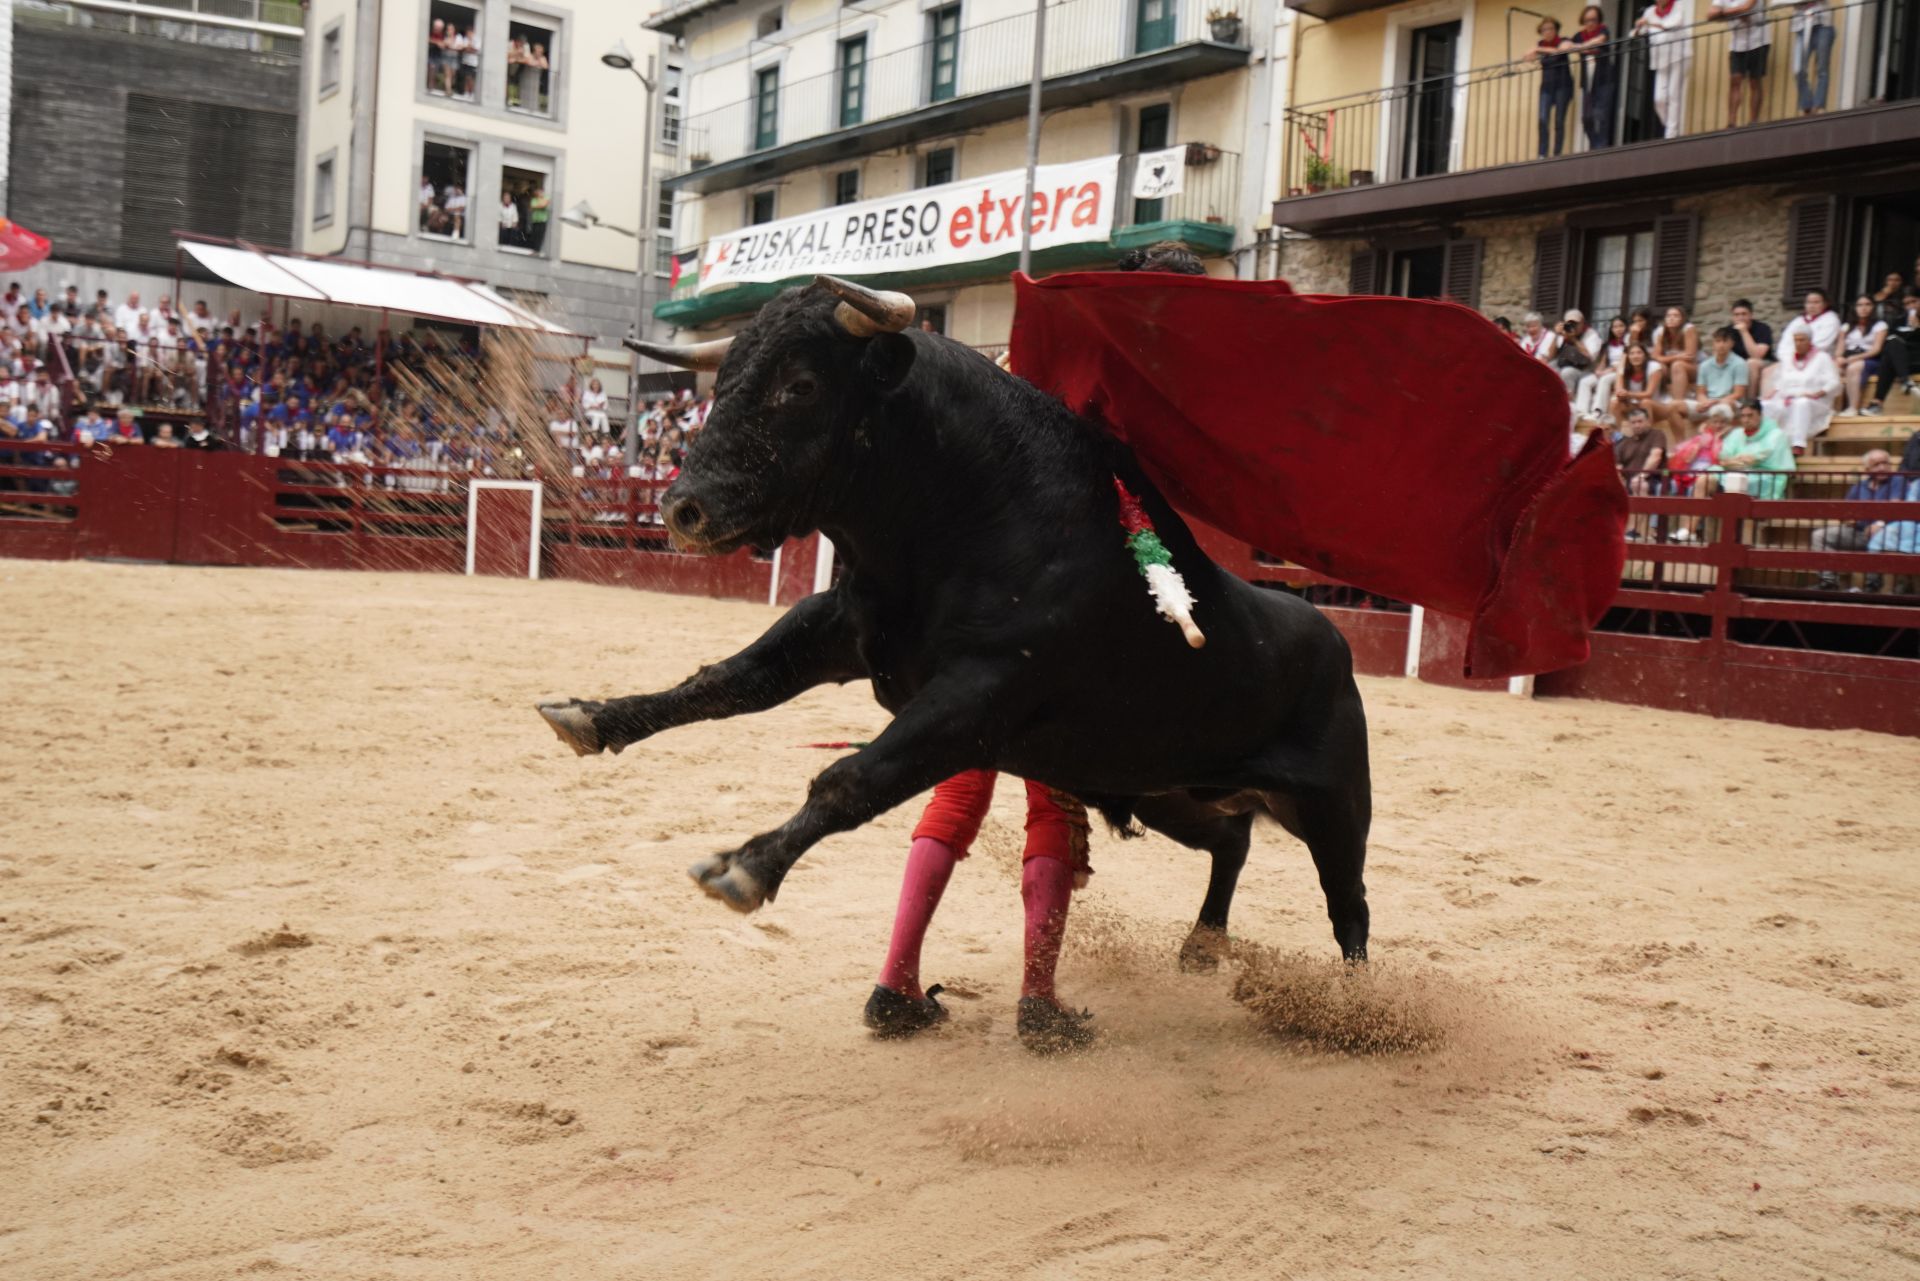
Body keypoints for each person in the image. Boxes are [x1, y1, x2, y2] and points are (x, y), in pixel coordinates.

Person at [1812, 450, 1903, 590]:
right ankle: (1828, 581)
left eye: (1885, 463)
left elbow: (1896, 507)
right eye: (1876, 464)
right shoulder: (1859, 487)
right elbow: (1847, 511)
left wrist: (1879, 523)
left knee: (1878, 533)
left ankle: (1873, 584)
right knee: (1819, 535)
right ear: (1867, 469)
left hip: (1889, 532)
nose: (1882, 467)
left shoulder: (1898, 481)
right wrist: (1849, 519)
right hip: (1859, 531)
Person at [1762, 326, 1841, 451]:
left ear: (1809, 341)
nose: (1798, 343)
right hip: (1788, 398)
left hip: (1814, 401)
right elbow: (1780, 381)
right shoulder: (1788, 359)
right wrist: (1772, 393)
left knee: (1801, 403)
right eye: (1796, 340)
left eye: (1802, 340)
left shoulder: (1822, 358)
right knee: (1765, 404)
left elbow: (1834, 381)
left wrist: (1818, 393)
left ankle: (1797, 444)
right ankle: (1766, 442)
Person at [1635, 0, 1693, 138]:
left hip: (1679, 55)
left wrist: (1649, 23)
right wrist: (1638, 26)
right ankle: (1671, 128)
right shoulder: (1649, 11)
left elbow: (1673, 24)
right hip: (1660, 59)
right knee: (1659, 99)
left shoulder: (1678, 5)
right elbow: (1638, 33)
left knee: (1673, 96)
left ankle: (1671, 134)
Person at [1715, 399, 1795, 497]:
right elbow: (1724, 455)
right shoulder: (1737, 433)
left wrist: (1750, 460)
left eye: (1750, 415)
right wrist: (1731, 461)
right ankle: (1697, 512)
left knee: (1738, 481)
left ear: (1760, 415)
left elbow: (1765, 459)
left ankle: (1735, 510)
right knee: (1707, 476)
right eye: (1743, 416)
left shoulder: (1776, 434)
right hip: (1735, 471)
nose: (1746, 420)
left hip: (1765, 475)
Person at [1710, 0, 1771, 126]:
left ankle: (1753, 120)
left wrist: (1723, 14)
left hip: (1758, 40)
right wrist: (1736, 12)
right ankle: (1731, 122)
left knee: (1755, 81)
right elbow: (1710, 14)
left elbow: (1747, 7)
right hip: (1737, 43)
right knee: (1735, 80)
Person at [1526, 17, 1576, 158]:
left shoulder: (1563, 41)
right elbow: (1527, 57)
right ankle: (1542, 153)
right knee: (1542, 119)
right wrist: (1531, 54)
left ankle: (1557, 153)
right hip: (1546, 87)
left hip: (1563, 85)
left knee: (1559, 120)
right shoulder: (1540, 45)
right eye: (1544, 29)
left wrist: (1539, 49)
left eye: (1550, 28)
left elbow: (1559, 52)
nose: (1547, 32)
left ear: (1556, 30)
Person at [1679, 326, 1750, 423]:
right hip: (1708, 403)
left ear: (1732, 344)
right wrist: (1704, 402)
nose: (1721, 345)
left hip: (1729, 403)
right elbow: (1700, 393)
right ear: (1713, 343)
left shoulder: (1740, 363)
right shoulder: (1704, 365)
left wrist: (1715, 402)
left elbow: (1738, 393)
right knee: (1675, 406)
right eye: (1718, 341)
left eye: (1725, 341)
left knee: (1723, 408)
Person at [1836, 293, 1888, 416]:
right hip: (1849, 357)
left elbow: (1876, 349)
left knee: (1854, 367)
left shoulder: (1880, 325)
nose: (1863, 308)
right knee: (1833, 369)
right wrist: (1839, 358)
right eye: (1859, 305)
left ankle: (1852, 407)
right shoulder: (1846, 326)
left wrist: (1854, 358)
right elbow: (1839, 349)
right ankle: (1833, 409)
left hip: (1871, 359)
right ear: (1855, 307)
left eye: (1867, 304)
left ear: (1873, 307)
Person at [1576, 315, 1631, 421]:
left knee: (1605, 379)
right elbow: (1603, 362)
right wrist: (1599, 371)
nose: (1618, 329)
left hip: (1622, 372)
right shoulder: (1608, 345)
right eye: (1615, 327)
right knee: (1585, 381)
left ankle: (1598, 411)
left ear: (1626, 327)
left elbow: (1625, 364)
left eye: (1621, 326)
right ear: (1611, 329)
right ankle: (1581, 412)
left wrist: (1609, 371)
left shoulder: (1629, 344)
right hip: (1608, 370)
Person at [1788, 0, 1835, 115]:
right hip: (1801, 26)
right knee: (1798, 70)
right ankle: (1807, 105)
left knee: (1822, 69)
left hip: (1823, 24)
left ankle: (1818, 106)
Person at [1651, 305, 1699, 403]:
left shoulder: (1688, 329)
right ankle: (1655, 400)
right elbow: (1655, 357)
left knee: (1677, 365)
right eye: (1668, 316)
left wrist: (1666, 358)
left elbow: (1690, 356)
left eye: (1676, 316)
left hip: (1692, 368)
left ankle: (1678, 403)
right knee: (1657, 366)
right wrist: (1677, 356)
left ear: (1682, 319)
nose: (1671, 318)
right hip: (1670, 368)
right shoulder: (1661, 331)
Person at [1552, 308, 1603, 399]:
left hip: (1585, 369)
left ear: (1582, 323)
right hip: (1563, 364)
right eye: (1569, 323)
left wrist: (1574, 340)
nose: (1572, 326)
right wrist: (1556, 335)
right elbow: (1550, 355)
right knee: (1548, 368)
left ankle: (1569, 401)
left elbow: (1589, 357)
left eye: (1575, 323)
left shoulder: (1591, 335)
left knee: (1567, 372)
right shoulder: (1564, 332)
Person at [1610, 341, 1662, 425]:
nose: (1635, 356)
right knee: (1614, 402)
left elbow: (1649, 394)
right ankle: (1618, 434)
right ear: (1628, 357)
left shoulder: (1654, 367)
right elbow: (1618, 391)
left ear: (1645, 355)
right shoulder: (1624, 368)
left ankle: (1647, 434)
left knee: (1645, 402)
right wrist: (1621, 367)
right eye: (1632, 353)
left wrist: (1628, 394)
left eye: (1639, 353)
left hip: (1652, 405)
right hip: (1634, 405)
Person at [1783, 288, 1841, 353]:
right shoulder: (1798, 320)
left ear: (1825, 304)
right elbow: (1785, 342)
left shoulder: (1831, 320)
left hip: (1819, 359)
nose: (1811, 306)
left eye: (1816, 302)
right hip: (1793, 357)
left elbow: (1819, 345)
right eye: (1808, 302)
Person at [527, 185, 551, 254]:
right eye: (537, 191)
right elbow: (532, 206)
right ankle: (533, 249)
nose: (539, 193)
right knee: (534, 235)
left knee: (540, 236)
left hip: (542, 221)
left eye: (540, 191)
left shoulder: (546, 198)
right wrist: (540, 204)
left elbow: (543, 205)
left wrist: (539, 205)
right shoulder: (534, 200)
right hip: (535, 220)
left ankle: (537, 251)